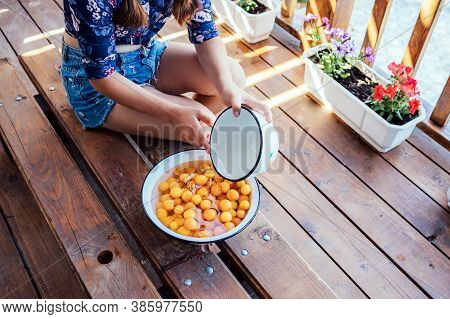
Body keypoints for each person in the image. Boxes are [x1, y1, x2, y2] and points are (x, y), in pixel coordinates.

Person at [61, 0, 272, 151]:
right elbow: (101, 77)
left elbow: (205, 30)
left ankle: (172, 109)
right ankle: (173, 113)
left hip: (145, 55)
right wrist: (173, 112)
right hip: (99, 84)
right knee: (202, 123)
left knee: (233, 76)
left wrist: (226, 86)